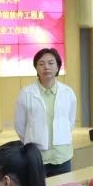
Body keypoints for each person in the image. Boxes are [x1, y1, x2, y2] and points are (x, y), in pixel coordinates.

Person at [14, 47, 77, 177]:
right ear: (36, 68)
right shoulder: (26, 93)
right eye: (41, 64)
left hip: (62, 155)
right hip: (36, 157)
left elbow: (70, 121)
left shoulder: (68, 92)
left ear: (58, 67)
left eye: (51, 63)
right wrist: (34, 139)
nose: (46, 67)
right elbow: (20, 126)